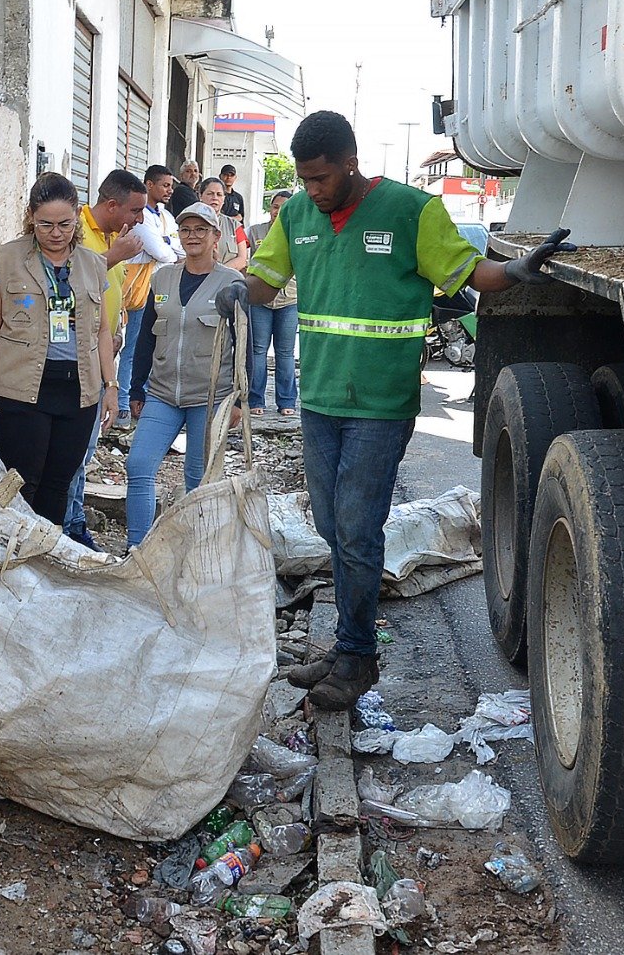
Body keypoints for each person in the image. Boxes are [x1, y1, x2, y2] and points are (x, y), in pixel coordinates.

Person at [216, 110, 570, 710]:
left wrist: (513, 269)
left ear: (351, 163)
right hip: (321, 399)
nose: (313, 190)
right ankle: (347, 646)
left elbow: (469, 272)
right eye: (305, 180)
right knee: (331, 525)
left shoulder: (411, 211)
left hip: (383, 404)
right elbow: (264, 280)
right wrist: (234, 290)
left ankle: (357, 657)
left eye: (322, 178)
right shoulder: (298, 216)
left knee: (355, 526)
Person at [0, 173, 116, 526]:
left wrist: (110, 387)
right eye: (45, 224)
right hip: (20, 389)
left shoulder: (93, 264)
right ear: (31, 217)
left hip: (79, 392)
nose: (55, 233)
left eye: (65, 224)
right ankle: (12, 560)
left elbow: (103, 329)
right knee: (21, 484)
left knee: (58, 485)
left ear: (77, 217)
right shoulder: (6, 259)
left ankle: (44, 560)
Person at [124, 203, 243, 547]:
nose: (192, 237)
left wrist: (240, 399)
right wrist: (136, 389)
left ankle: (197, 551)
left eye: (200, 230)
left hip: (210, 396)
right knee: (139, 465)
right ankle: (138, 548)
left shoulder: (231, 282)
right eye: (186, 230)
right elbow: (147, 335)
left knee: (198, 478)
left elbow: (244, 344)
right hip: (162, 393)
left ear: (215, 237)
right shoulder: (163, 277)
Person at [61, 169, 146, 548]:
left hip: (103, 352)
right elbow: (68, 279)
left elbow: (108, 292)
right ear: (112, 205)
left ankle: (75, 520)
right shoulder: (73, 228)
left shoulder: (116, 236)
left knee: (87, 447)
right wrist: (113, 257)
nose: (140, 220)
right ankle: (66, 526)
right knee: (73, 448)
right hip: (74, 356)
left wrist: (117, 323)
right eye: (135, 210)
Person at [114, 165, 181, 418]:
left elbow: (179, 246)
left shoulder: (166, 217)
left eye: (171, 185)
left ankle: (137, 399)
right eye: (164, 185)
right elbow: (163, 252)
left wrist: (167, 243)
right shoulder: (140, 218)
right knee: (129, 348)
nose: (169, 190)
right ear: (149, 185)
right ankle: (122, 405)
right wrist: (167, 245)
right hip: (137, 291)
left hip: (158, 290)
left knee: (149, 348)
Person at [246, 190, 299, 417]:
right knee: (258, 350)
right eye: (275, 207)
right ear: (270, 208)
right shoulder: (256, 232)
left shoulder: (299, 232)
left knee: (285, 353)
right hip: (260, 299)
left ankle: (286, 400)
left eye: (284, 208)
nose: (278, 212)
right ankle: (255, 399)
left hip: (290, 300)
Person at [200, 177, 249, 269]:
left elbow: (242, 259)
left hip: (228, 279)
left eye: (219, 194)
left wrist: (219, 274)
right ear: (200, 196)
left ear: (223, 199)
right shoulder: (190, 222)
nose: (214, 198)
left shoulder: (235, 226)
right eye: (210, 194)